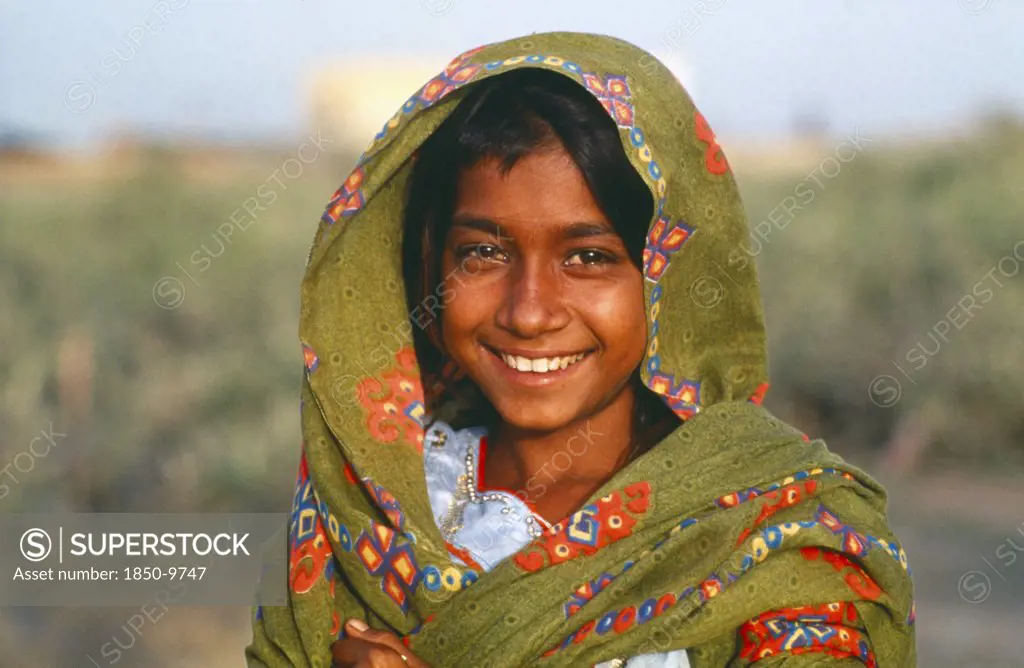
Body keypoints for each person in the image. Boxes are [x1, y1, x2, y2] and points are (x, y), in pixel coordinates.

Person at [246, 32, 916, 668]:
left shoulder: (763, 524)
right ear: (429, 267)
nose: (529, 311)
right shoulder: (367, 511)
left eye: (589, 257)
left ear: (669, 282)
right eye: (482, 252)